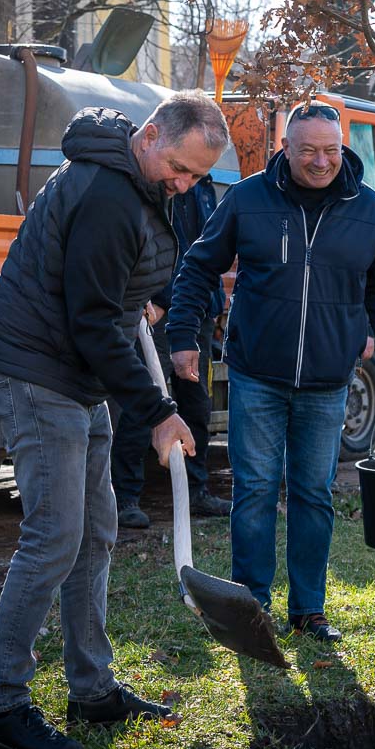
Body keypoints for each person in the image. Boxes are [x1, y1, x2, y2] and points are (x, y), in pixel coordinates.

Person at [0, 92, 227, 749]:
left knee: (94, 533)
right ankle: (3, 706)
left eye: (197, 176)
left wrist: (129, 296)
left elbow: (96, 285)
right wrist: (158, 412)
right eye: (180, 168)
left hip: (75, 373)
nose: (184, 184)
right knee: (55, 537)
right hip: (36, 371)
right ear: (150, 135)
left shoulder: (136, 180)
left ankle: (91, 688)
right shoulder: (109, 191)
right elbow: (88, 320)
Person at [168, 101, 375, 644]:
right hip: (257, 373)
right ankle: (252, 606)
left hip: (328, 381)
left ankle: (308, 611)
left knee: (313, 494)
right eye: (308, 151)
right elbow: (198, 266)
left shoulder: (368, 208)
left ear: (342, 146)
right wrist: (183, 335)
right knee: (255, 489)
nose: (321, 161)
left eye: (330, 150)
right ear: (286, 147)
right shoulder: (248, 199)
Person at [111, 174, 230, 528]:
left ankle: (196, 491)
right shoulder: (160, 181)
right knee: (145, 402)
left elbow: (208, 250)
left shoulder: (205, 187)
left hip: (197, 315)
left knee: (197, 404)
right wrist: (158, 298)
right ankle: (126, 497)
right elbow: (152, 246)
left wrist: (214, 302)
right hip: (161, 313)